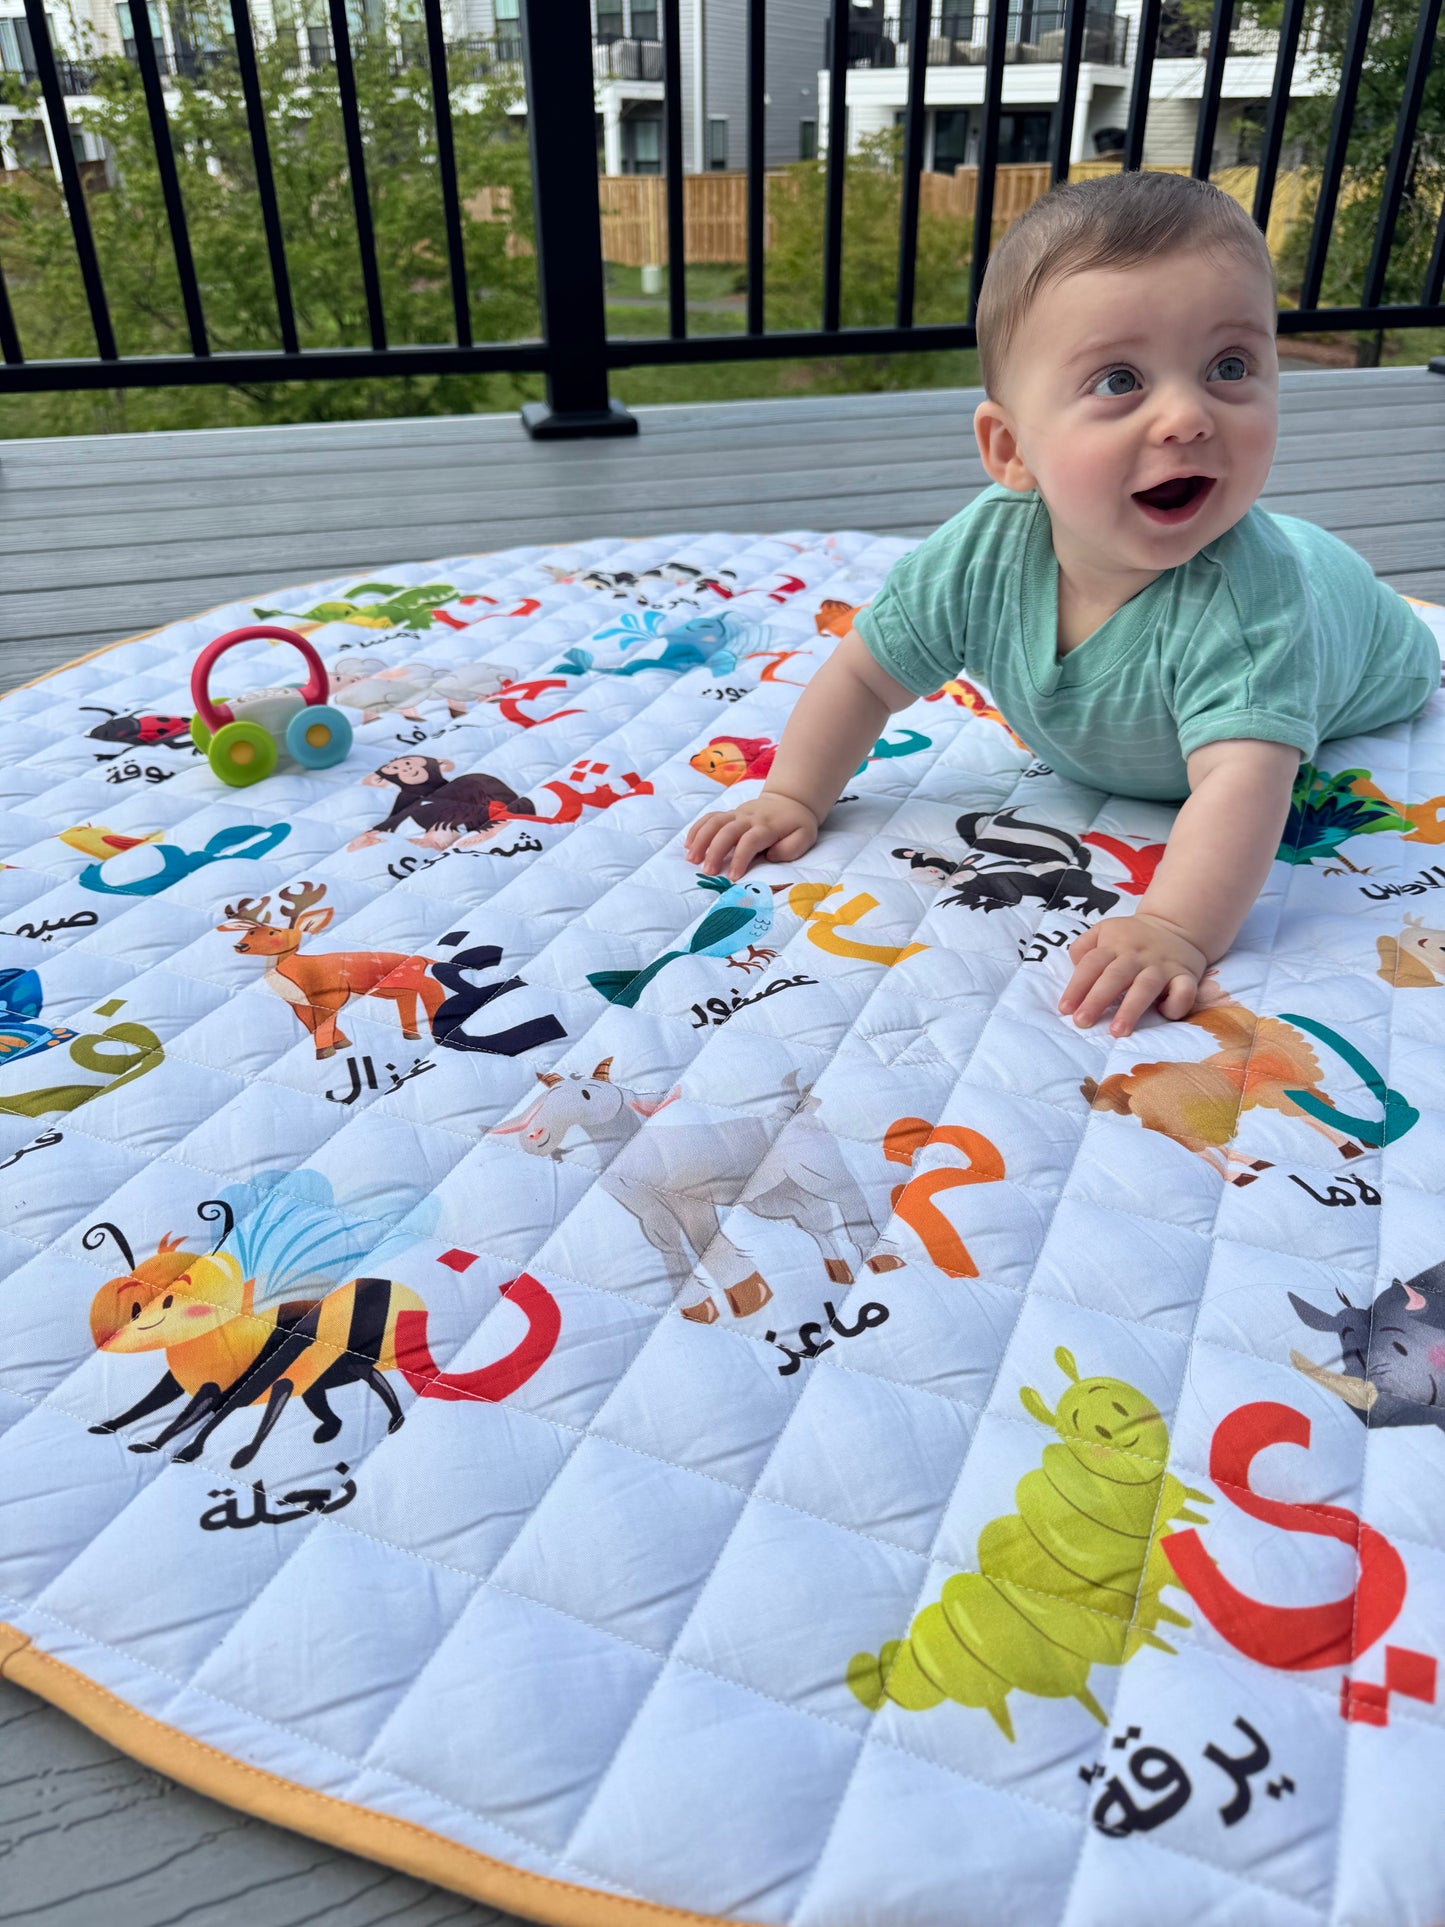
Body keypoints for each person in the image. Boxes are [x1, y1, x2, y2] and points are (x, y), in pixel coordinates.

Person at [685, 172, 1439, 1037]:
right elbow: (862, 676)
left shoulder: (1250, 600)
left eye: (1229, 367)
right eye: (1119, 379)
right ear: (1010, 449)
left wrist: (1171, 927)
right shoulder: (980, 554)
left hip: (1361, 634)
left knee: (1368, 632)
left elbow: (1243, 781)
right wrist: (793, 795)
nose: (1187, 416)